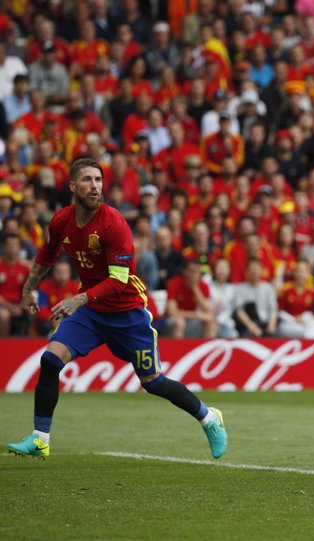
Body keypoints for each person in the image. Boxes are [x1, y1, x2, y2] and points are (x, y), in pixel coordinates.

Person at [7, 158, 227, 460]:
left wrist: (76, 300)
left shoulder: (114, 224)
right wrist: (28, 287)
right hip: (91, 312)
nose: (95, 186)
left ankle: (209, 417)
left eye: (98, 180)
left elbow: (119, 281)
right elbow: (46, 254)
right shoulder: (61, 221)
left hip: (127, 312)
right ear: (72, 186)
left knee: (153, 383)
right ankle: (40, 437)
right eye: (87, 180)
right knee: (50, 360)